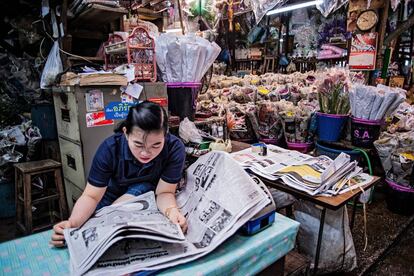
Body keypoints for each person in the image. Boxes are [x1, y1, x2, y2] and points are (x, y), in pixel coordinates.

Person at [50, 101, 187, 247]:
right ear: (126, 133)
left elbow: (165, 192)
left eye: (156, 145)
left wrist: (172, 212)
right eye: (138, 144)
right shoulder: (110, 148)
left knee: (144, 187)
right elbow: (91, 196)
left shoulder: (174, 149)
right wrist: (73, 223)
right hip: (108, 199)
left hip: (145, 201)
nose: (146, 153)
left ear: (165, 135)